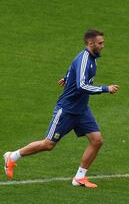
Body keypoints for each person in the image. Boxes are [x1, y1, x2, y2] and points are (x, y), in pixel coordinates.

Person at [3, 29, 119, 188]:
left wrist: (66, 77)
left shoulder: (92, 58)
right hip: (67, 110)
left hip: (82, 109)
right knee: (48, 144)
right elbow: (82, 86)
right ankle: (12, 156)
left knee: (97, 140)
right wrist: (105, 89)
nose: (103, 46)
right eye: (100, 43)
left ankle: (79, 177)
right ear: (90, 43)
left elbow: (73, 67)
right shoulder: (84, 58)